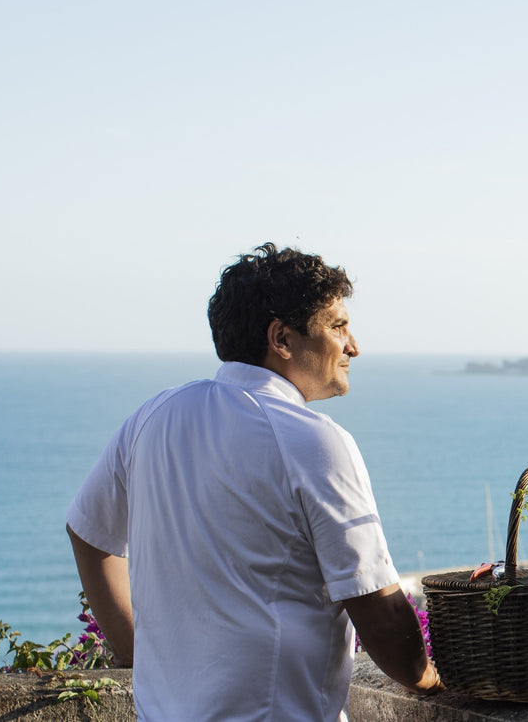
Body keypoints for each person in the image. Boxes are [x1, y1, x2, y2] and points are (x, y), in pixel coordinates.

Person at [66, 243, 441, 720]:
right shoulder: (314, 441)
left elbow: (86, 532)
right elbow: (380, 612)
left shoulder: (153, 416)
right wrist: (431, 680)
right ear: (281, 338)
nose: (353, 346)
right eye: (338, 326)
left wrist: (133, 652)